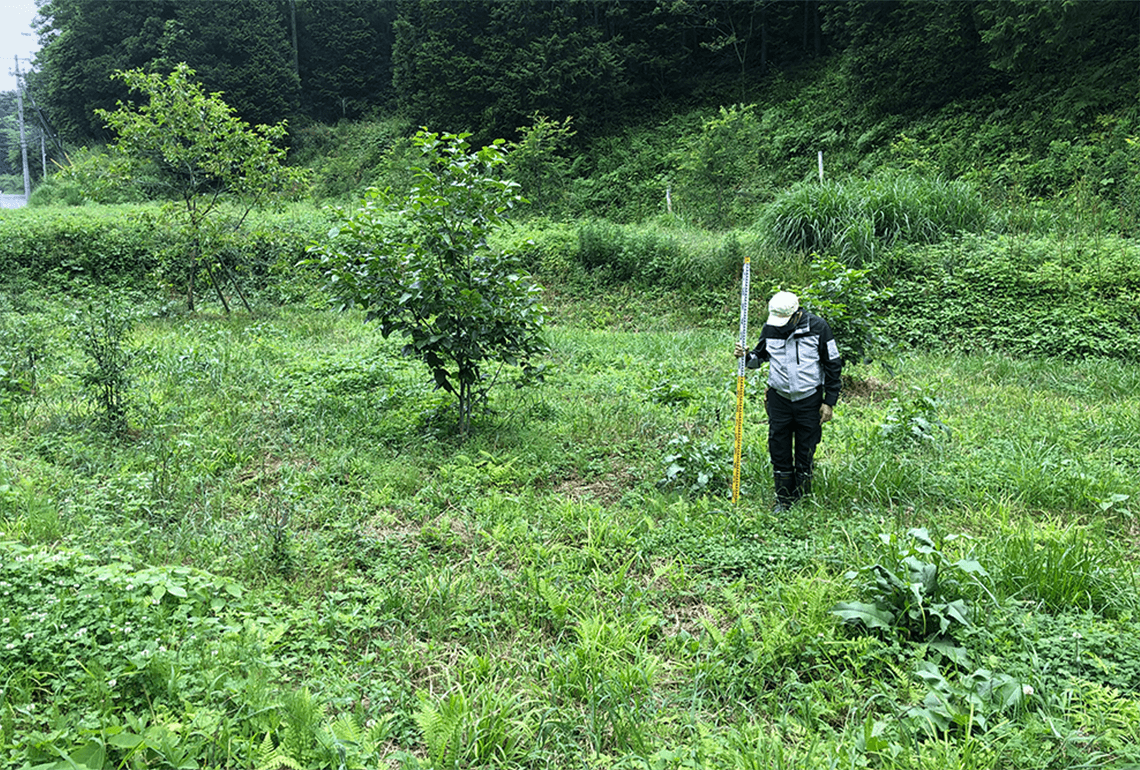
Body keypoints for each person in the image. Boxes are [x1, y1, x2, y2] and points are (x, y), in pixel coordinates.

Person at [734, 291, 843, 511]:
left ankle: (803, 498)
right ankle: (783, 499)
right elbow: (758, 359)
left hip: (809, 399)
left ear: (796, 314)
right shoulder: (770, 329)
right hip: (779, 399)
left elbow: (833, 364)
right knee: (779, 447)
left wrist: (829, 401)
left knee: (806, 447)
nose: (780, 326)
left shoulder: (819, 328)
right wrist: (745, 357)